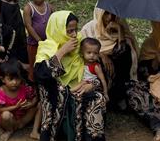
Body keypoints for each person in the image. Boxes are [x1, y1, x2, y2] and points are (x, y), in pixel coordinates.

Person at [35, 10, 107, 141]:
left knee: (97, 98)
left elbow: (95, 68)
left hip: (81, 87)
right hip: (57, 94)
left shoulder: (80, 43)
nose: (74, 35)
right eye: (69, 31)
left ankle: (92, 138)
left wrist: (91, 85)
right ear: (58, 30)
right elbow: (41, 76)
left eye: (75, 30)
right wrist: (62, 51)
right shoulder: (47, 48)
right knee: (65, 97)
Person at [81, 6, 138, 109]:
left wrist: (120, 31)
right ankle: (106, 95)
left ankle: (120, 95)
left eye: (113, 14)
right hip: (99, 69)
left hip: (118, 70)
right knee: (97, 63)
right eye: (106, 14)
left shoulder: (121, 25)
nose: (110, 17)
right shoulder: (89, 28)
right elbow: (85, 51)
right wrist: (101, 55)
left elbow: (124, 49)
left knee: (125, 52)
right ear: (100, 14)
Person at [0, 60, 41, 141]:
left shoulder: (24, 88)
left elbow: (35, 97)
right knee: (5, 115)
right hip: (10, 121)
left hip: (23, 120)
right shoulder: (1, 92)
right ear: (3, 79)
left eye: (17, 78)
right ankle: (9, 131)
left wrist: (31, 104)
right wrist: (15, 107)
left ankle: (34, 132)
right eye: (10, 79)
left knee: (40, 105)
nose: (15, 82)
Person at [23, 0, 53, 82]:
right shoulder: (28, 8)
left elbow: (55, 22)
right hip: (34, 44)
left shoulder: (50, 7)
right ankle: (34, 90)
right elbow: (28, 26)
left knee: (47, 65)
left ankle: (45, 88)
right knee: (34, 66)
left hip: (48, 43)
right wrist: (39, 40)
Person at [0, 0, 29, 64]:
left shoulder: (21, 14)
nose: (12, 4)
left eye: (15, 1)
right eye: (8, 1)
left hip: (19, 56)